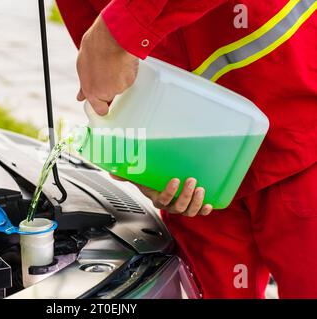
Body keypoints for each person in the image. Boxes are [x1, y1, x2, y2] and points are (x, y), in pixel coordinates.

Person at [56, 0, 317, 298]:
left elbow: (109, 46)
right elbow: (112, 80)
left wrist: (116, 32)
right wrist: (145, 168)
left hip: (299, 133)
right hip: (194, 172)